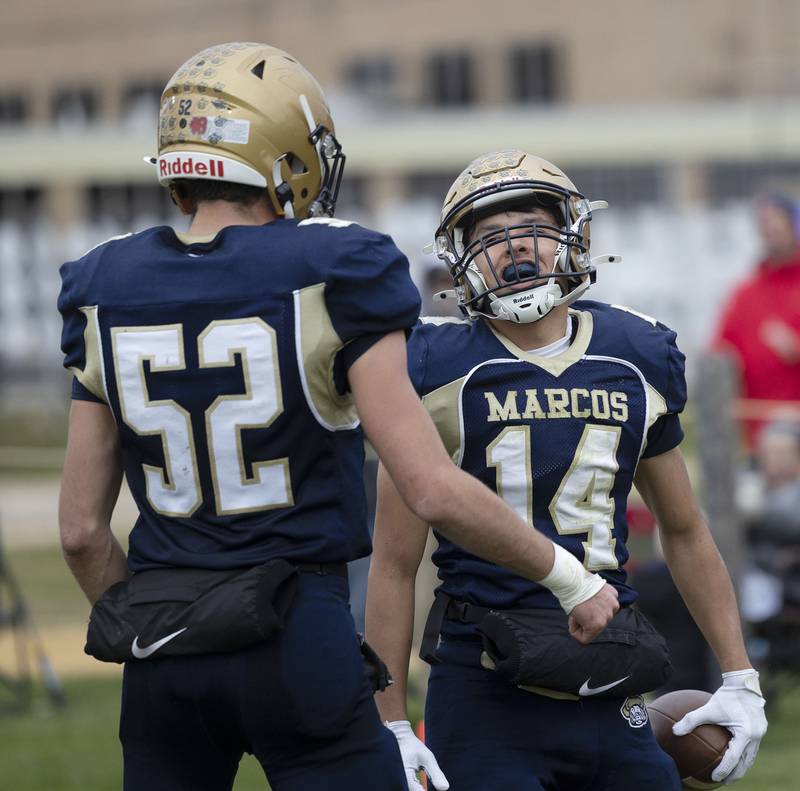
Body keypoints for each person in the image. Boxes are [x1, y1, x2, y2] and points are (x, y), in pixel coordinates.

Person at [57, 48, 618, 791]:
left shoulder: (103, 281)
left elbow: (80, 531)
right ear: (278, 148)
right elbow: (429, 486)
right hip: (298, 638)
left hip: (164, 651)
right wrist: (572, 579)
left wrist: (156, 628)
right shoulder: (334, 264)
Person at [366, 150, 768, 790]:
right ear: (460, 259)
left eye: (530, 227)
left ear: (574, 237)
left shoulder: (636, 355)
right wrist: (388, 722)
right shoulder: (430, 366)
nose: (513, 248)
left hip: (612, 668)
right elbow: (392, 563)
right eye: (489, 238)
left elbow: (685, 530)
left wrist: (740, 675)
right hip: (483, 682)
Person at [714, 193, 800, 450]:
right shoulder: (745, 292)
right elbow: (720, 348)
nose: (769, 230)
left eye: (776, 222)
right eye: (763, 224)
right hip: (757, 436)